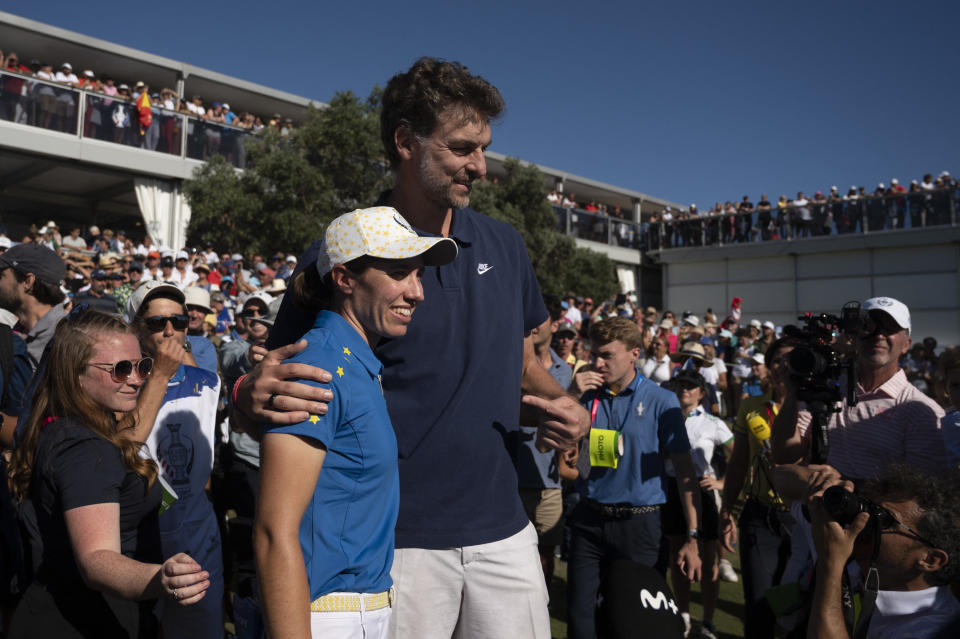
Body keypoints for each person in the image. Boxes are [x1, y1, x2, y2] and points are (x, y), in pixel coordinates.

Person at [237, 57, 588, 639]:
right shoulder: (344, 253)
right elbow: (276, 379)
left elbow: (519, 358)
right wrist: (249, 392)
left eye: (484, 148)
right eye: (460, 147)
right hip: (397, 545)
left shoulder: (505, 243)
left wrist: (562, 400)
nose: (479, 166)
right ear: (405, 141)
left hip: (505, 531)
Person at [254, 207, 457, 638]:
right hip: (326, 614)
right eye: (400, 273)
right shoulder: (319, 366)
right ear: (345, 279)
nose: (417, 292)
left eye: (418, 275)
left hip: (359, 608)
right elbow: (275, 531)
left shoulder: (355, 361)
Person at [6, 309, 210, 637]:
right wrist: (161, 578)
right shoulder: (84, 448)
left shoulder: (68, 425)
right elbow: (97, 559)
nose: (135, 378)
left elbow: (128, 439)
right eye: (120, 369)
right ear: (75, 374)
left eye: (142, 365)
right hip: (84, 620)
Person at [566, 318, 701, 639]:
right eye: (594, 354)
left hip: (639, 526)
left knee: (636, 622)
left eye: (607, 355)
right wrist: (572, 395)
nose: (597, 363)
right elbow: (572, 457)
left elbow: (684, 471)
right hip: (589, 520)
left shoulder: (661, 400)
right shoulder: (588, 396)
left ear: (634, 354)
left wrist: (693, 534)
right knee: (581, 617)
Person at [126, 282, 224, 639]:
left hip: (196, 533)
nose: (169, 330)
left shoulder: (208, 381)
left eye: (178, 321)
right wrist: (159, 376)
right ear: (136, 328)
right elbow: (123, 443)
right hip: (139, 536)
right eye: (156, 323)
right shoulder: (120, 382)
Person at [771, 296, 947, 479]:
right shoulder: (826, 385)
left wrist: (846, 486)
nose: (879, 335)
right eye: (868, 326)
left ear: (906, 345)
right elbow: (784, 455)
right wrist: (792, 395)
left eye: (890, 329)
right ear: (853, 337)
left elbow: (921, 494)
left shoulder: (921, 410)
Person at [804, 465, 960, 639]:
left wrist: (830, 564)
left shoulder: (934, 628)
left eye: (885, 521)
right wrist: (827, 482)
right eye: (869, 511)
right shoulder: (847, 548)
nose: (864, 524)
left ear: (930, 560)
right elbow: (781, 476)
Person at [720, 336, 801, 639]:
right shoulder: (752, 406)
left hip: (804, 518)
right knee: (759, 607)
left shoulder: (815, 406)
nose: (784, 366)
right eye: (778, 359)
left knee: (799, 607)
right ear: (768, 367)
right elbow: (738, 463)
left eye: (792, 359)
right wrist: (726, 511)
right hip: (761, 517)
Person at [660, 370, 733, 639]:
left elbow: (739, 455)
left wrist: (722, 482)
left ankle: (709, 619)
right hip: (670, 489)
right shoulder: (666, 417)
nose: (684, 390)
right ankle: (684, 615)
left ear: (702, 393)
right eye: (680, 385)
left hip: (702, 491)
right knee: (676, 555)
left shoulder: (713, 422)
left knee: (708, 557)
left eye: (690, 387)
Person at [516, 295, 576, 583]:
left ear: (553, 325)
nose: (535, 324)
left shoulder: (566, 372)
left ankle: (546, 603)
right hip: (512, 477)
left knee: (546, 555)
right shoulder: (511, 365)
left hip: (549, 481)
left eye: (541, 318)